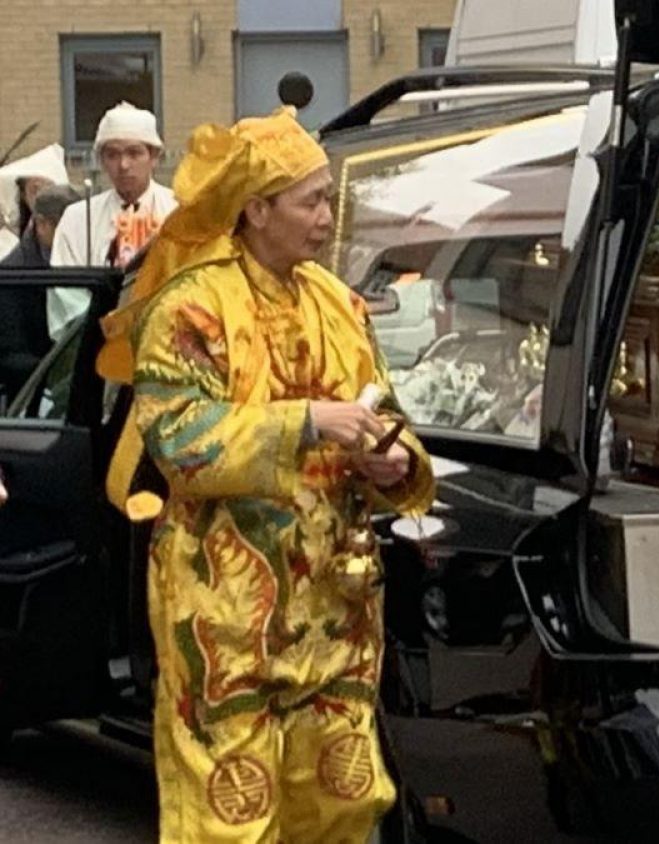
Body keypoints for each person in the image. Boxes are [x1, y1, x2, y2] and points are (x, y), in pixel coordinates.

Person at [95, 107, 435, 843]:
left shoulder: (340, 304)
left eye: (328, 198)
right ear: (256, 209)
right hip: (224, 613)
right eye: (310, 199)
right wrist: (307, 421)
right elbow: (178, 440)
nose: (325, 217)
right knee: (231, 814)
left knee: (343, 800)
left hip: (334, 610)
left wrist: (394, 459)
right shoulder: (190, 306)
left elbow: (384, 414)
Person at [49, 102, 178, 337]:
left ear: (154, 157)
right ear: (102, 160)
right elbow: (65, 293)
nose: (123, 165)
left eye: (134, 153)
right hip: (94, 342)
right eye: (113, 154)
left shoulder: (178, 212)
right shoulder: (77, 218)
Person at [0, 184, 84, 404]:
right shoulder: (13, 275)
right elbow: (9, 352)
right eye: (68, 228)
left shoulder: (80, 257)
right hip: (33, 400)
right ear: (42, 225)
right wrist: (55, 373)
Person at [0, 142, 70, 250]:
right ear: (24, 195)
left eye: (48, 189)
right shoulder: (9, 243)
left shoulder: (75, 232)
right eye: (35, 190)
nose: (42, 196)